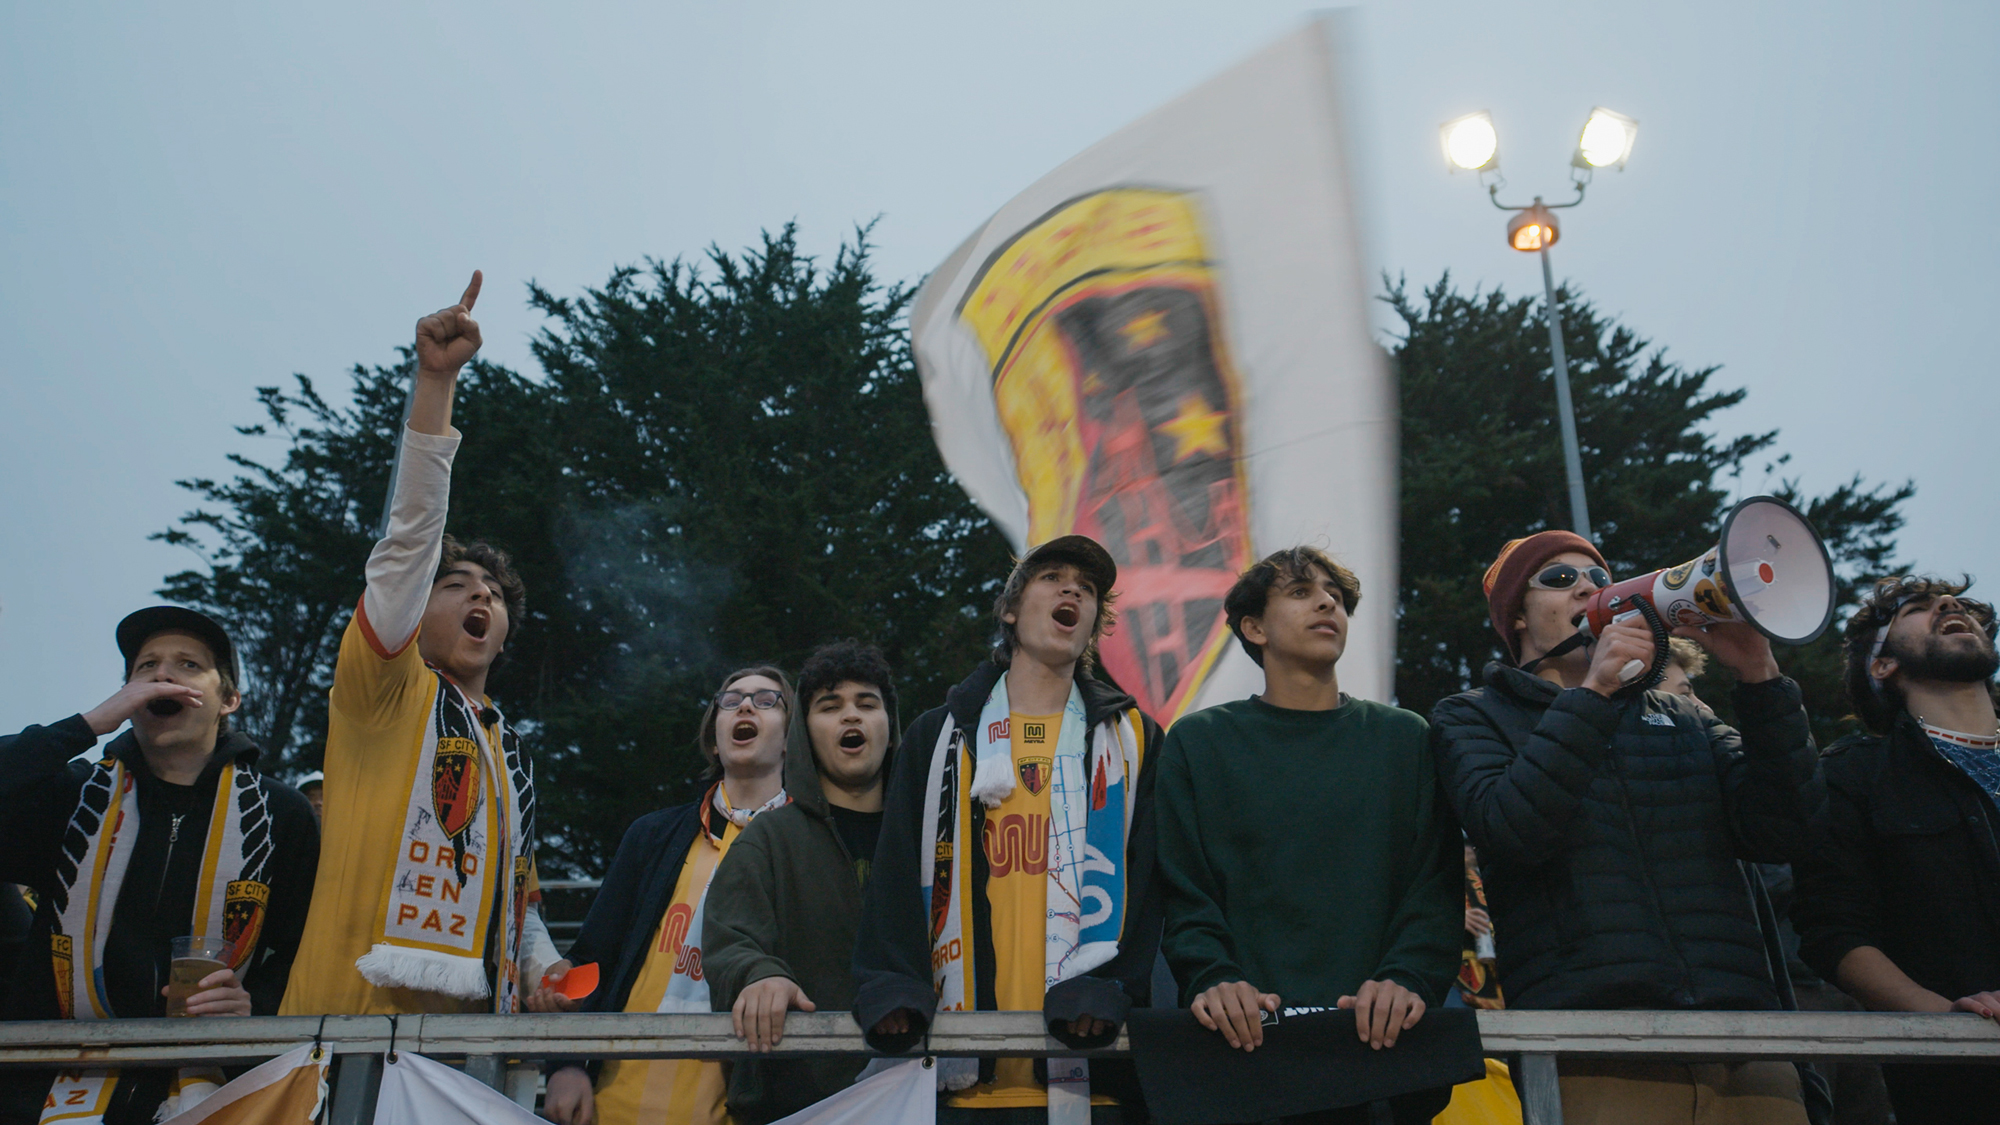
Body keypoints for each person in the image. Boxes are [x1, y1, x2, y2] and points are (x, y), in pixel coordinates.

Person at [1430, 530, 1819, 1124]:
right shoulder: (1471, 714)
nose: (1589, 587)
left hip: (1743, 1041)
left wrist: (1761, 677)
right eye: (1559, 579)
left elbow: (1785, 831)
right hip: (1594, 1044)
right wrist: (1596, 694)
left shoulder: (1686, 716)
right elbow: (1511, 830)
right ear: (1516, 618)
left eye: (1600, 578)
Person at [279, 273, 558, 1016]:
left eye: (495, 596)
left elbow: (517, 897)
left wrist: (545, 973)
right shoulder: (384, 688)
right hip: (346, 1034)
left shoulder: (512, 755)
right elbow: (408, 543)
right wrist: (436, 384)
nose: (481, 598)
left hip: (466, 1060)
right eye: (457, 585)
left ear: (502, 635)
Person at [853, 535, 1164, 1123]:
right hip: (958, 1083)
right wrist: (892, 986)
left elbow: (1149, 889)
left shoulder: (1134, 739)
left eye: (1089, 587)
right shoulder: (939, 736)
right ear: (1011, 609)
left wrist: (1110, 989)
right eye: (1052, 577)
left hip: (1092, 1073)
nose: (1073, 588)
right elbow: (894, 875)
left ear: (1095, 622)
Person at [1155, 547, 1462, 1124]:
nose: (1326, 602)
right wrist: (1213, 975)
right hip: (1241, 1057)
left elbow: (1435, 884)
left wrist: (1407, 975)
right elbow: (1182, 887)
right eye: (1300, 592)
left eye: (1336, 596)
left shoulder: (1406, 739)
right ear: (1253, 627)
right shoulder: (1199, 743)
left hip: (1385, 1060)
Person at [0, 607, 318, 1124]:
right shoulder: (70, 796)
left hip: (208, 1090)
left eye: (189, 665)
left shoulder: (281, 813)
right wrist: (86, 725)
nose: (162, 675)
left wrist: (254, 1008)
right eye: (146, 667)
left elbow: (303, 945)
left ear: (228, 701)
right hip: (42, 1086)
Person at [542, 666, 796, 1125]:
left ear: (789, 742)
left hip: (739, 1110)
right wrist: (563, 1065)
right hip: (611, 1106)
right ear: (714, 740)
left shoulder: (807, 846)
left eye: (766, 701)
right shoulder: (652, 835)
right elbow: (591, 959)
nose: (744, 705)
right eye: (731, 699)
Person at [1793, 575, 2000, 1125]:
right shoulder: (1852, 775)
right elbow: (1833, 933)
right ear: (1881, 665)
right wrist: (1949, 1020)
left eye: (1955, 604)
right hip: (1966, 1085)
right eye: (1918, 608)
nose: (1951, 606)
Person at [702, 640, 901, 1123]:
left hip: (925, 1093)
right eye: (830, 707)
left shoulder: (933, 836)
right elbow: (730, 940)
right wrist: (759, 975)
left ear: (890, 727)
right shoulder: (766, 840)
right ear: (804, 735)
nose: (850, 716)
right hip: (797, 1103)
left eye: (867, 704)